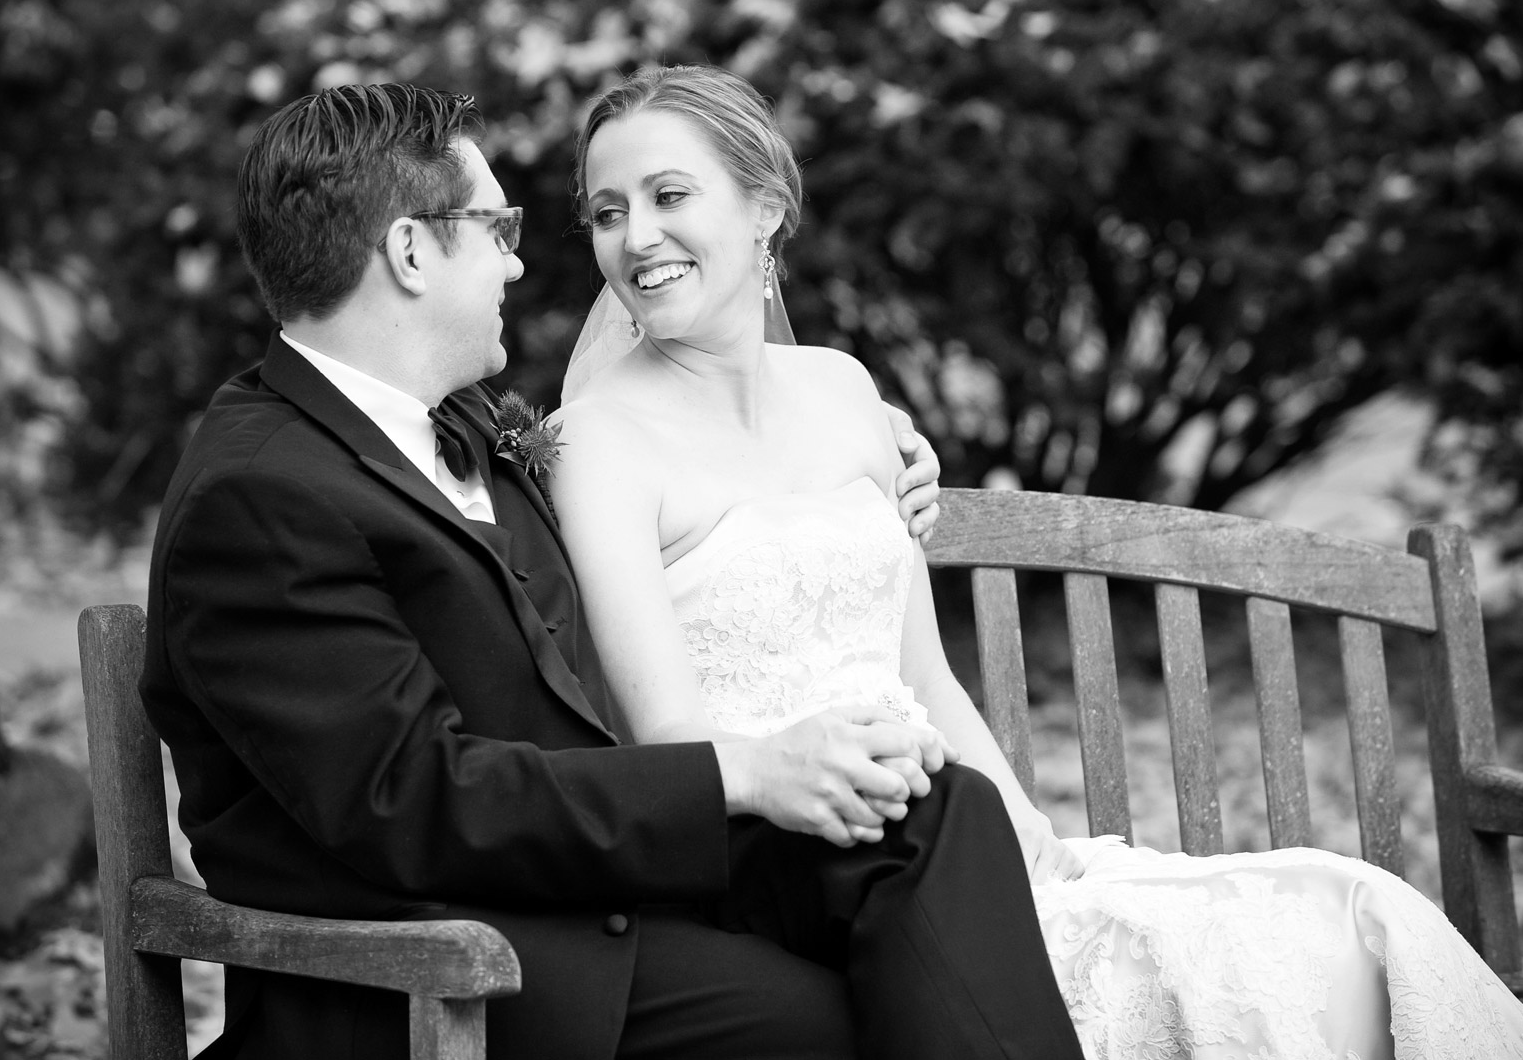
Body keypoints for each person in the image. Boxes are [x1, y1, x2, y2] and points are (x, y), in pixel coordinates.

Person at [548, 63, 1523, 1060]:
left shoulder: (845, 391)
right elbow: (668, 740)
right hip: (780, 855)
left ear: (765, 209)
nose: (636, 238)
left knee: (1350, 912)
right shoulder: (598, 440)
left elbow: (921, 677)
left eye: (669, 196)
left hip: (936, 835)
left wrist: (1024, 833)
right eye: (606, 212)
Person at [141, 81, 1085, 1060]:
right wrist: (740, 771)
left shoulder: (454, 421)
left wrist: (868, 444)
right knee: (843, 1014)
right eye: (496, 228)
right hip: (450, 967)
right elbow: (416, 803)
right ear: (411, 253)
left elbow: (678, 453)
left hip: (604, 884)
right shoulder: (257, 496)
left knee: (937, 810)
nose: (516, 261)